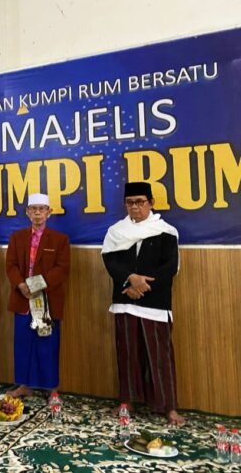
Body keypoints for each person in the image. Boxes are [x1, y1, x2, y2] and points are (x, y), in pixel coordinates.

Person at [102, 181, 184, 426]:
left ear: (151, 203)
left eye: (140, 202)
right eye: (130, 202)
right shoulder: (116, 231)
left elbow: (169, 267)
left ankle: (168, 406)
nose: (135, 207)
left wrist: (141, 287)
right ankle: (127, 401)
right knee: (127, 354)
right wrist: (131, 279)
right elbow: (111, 262)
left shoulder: (166, 231)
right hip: (125, 300)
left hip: (155, 303)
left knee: (160, 356)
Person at [5, 193, 70, 398]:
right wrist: (21, 285)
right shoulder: (17, 237)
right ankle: (24, 385)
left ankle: (51, 388)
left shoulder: (60, 239)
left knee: (48, 345)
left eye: (42, 209)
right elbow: (11, 265)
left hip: (47, 300)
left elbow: (62, 269)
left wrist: (36, 286)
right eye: (33, 209)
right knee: (23, 344)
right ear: (27, 212)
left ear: (49, 213)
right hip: (22, 298)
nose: (37, 213)